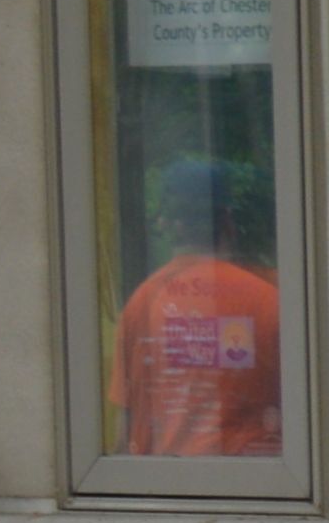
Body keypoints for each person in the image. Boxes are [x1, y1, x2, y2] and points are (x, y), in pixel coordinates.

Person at [113, 159, 283, 459]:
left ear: (164, 223)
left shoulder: (141, 304)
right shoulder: (272, 298)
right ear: (228, 221)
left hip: (169, 487)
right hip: (262, 487)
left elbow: (125, 429)